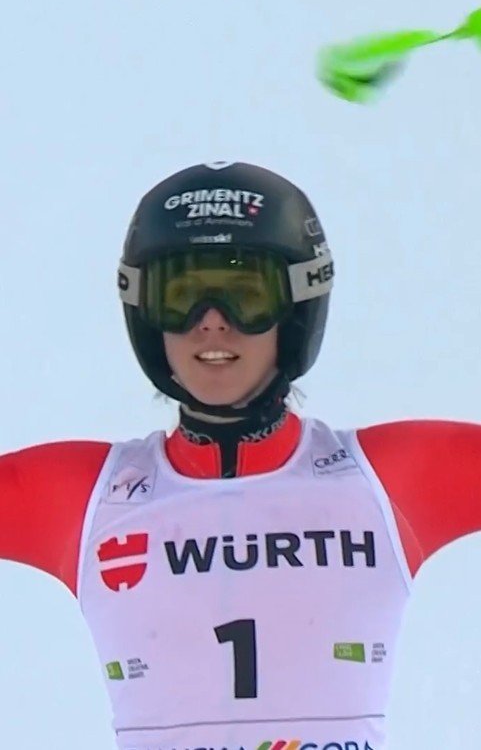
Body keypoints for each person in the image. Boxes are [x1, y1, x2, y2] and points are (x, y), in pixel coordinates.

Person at [1, 161, 480, 750]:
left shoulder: (387, 481)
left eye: (246, 295)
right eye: (180, 295)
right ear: (146, 315)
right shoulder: (86, 497)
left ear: (296, 308)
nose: (212, 324)